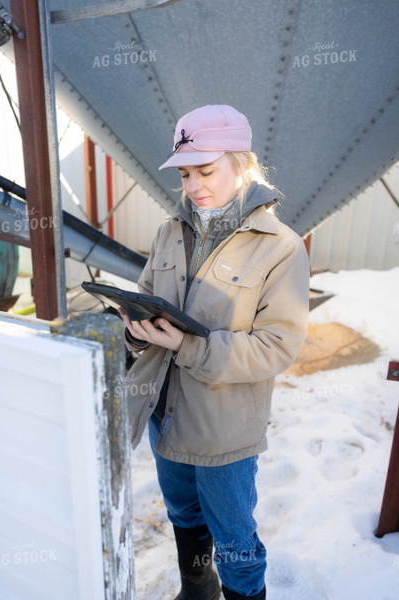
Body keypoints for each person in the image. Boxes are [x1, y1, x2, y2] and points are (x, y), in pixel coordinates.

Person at [119, 104, 310, 600]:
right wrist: (136, 330)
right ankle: (197, 590)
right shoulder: (168, 231)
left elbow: (276, 347)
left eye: (206, 170)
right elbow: (145, 299)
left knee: (235, 538)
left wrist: (186, 345)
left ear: (242, 163)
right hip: (167, 412)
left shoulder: (281, 247)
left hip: (224, 428)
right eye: (185, 173)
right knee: (182, 513)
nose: (194, 185)